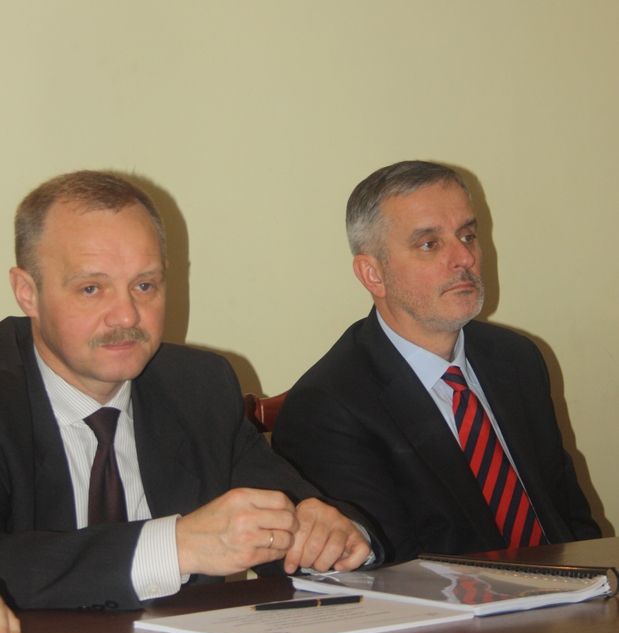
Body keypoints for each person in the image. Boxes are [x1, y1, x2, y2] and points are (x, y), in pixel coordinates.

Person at [0, 170, 379, 610]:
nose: (126, 315)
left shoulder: (197, 386)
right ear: (27, 292)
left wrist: (333, 537)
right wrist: (175, 546)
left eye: (145, 285)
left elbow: (292, 518)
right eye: (91, 288)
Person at [272, 160, 600, 563]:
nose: (464, 257)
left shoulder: (517, 359)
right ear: (373, 274)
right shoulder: (329, 407)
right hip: (459, 602)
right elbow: (390, 572)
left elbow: (573, 521)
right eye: (430, 244)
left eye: (468, 235)